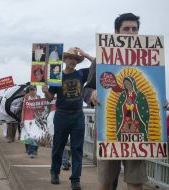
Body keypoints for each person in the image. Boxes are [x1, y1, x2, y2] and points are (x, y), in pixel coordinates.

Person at [82, 13, 148, 190]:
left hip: (137, 132)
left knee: (136, 181)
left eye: (134, 29)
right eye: (126, 29)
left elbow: (149, 95)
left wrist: (160, 101)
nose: (130, 32)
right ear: (116, 33)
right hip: (109, 129)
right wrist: (93, 93)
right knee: (106, 180)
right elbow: (85, 89)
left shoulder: (149, 61)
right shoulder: (101, 59)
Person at [42, 47, 91, 190]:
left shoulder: (82, 73)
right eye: (71, 58)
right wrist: (45, 92)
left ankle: (75, 179)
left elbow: (99, 65)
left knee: (77, 148)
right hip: (61, 114)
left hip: (78, 115)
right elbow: (50, 98)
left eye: (76, 59)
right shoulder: (56, 76)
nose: (73, 61)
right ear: (64, 60)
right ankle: (55, 172)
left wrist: (86, 54)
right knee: (58, 146)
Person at [21, 85, 40, 158]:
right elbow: (23, 109)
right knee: (30, 135)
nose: (32, 91)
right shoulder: (26, 98)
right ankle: (31, 151)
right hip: (27, 119)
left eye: (34, 89)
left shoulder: (39, 98)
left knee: (36, 136)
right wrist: (22, 120)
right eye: (31, 90)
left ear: (36, 90)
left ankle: (34, 150)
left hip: (36, 119)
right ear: (29, 91)